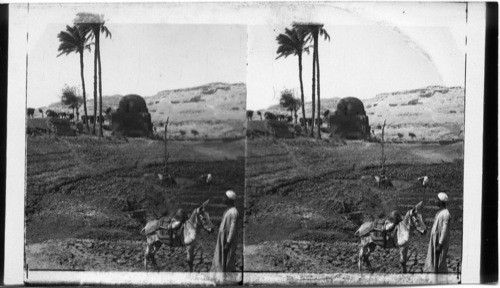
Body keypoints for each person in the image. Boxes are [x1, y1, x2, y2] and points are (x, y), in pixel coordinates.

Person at [212, 190, 239, 273]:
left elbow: (233, 228)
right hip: (222, 239)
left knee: (227, 260)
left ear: (229, 199)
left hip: (227, 240)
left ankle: (227, 278)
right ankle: (220, 275)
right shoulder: (227, 210)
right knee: (221, 258)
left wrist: (228, 243)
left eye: (225, 197)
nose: (223, 199)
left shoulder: (234, 212)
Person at [424, 192, 451, 273]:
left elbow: (444, 230)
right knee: (433, 260)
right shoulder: (439, 212)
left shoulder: (446, 214)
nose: (435, 201)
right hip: (435, 240)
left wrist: (440, 244)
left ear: (441, 201)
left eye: (437, 199)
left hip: (439, 241)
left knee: (440, 262)